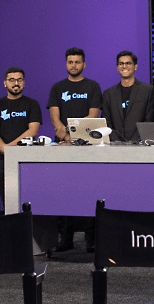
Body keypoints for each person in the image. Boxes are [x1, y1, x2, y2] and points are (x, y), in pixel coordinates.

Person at [46, 47, 103, 253]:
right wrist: (65, 135)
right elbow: (55, 117)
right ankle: (65, 237)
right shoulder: (57, 88)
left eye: (77, 62)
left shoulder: (93, 86)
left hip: (88, 148)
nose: (74, 65)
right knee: (63, 192)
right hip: (62, 147)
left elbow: (93, 115)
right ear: (66, 64)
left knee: (91, 191)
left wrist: (74, 137)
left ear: (84, 64)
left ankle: (91, 238)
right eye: (70, 62)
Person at [0, 67, 42, 211]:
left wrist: (11, 148)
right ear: (5, 83)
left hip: (26, 158)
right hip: (2, 159)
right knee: (8, 200)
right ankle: (12, 229)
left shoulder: (32, 104)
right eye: (12, 80)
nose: (16, 83)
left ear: (24, 83)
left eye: (19, 80)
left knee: (27, 200)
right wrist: (3, 148)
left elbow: (33, 130)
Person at [102, 51, 154, 142]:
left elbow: (149, 120)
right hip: (115, 146)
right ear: (117, 68)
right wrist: (117, 142)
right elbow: (106, 122)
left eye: (128, 63)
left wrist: (135, 142)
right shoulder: (108, 94)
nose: (124, 66)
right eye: (121, 64)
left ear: (135, 66)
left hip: (139, 146)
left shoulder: (147, 91)